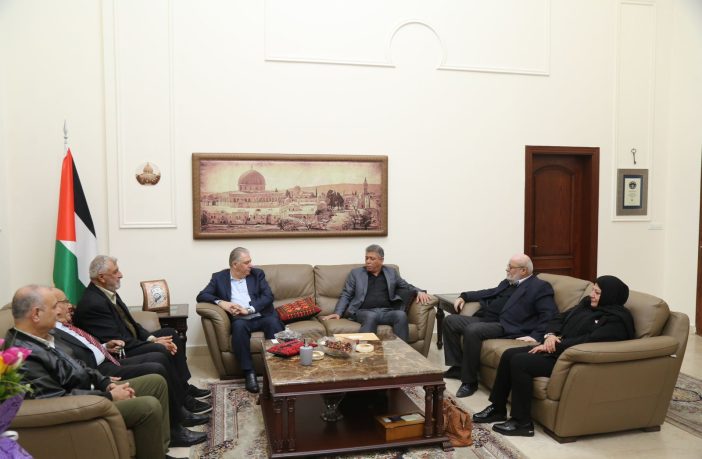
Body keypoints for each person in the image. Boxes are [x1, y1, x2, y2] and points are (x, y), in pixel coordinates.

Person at [7, 285, 182, 459]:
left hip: (93, 390)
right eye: (54, 307)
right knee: (148, 406)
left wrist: (106, 383)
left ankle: (160, 450)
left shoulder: (47, 336)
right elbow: (57, 399)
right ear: (36, 314)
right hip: (83, 404)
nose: (59, 311)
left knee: (156, 382)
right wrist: (109, 396)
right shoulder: (21, 355)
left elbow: (80, 365)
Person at [473, 275, 635, 437]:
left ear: (609, 296)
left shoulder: (616, 321)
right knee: (508, 354)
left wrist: (553, 346)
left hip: (570, 360)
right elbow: (559, 317)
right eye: (593, 290)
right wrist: (550, 335)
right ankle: (497, 408)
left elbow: (589, 341)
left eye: (597, 293)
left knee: (520, 362)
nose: (592, 295)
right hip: (555, 349)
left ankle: (522, 423)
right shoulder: (587, 304)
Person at [51, 287, 208, 446]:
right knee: (157, 362)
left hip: (108, 355)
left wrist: (105, 346)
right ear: (53, 308)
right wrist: (102, 379)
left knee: (167, 340)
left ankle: (183, 396)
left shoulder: (69, 324)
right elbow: (75, 363)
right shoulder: (57, 331)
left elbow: (128, 326)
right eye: (65, 302)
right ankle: (176, 425)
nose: (70, 305)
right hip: (102, 369)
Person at [74, 255, 212, 415]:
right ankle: (182, 400)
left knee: (171, 334)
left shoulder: (107, 292)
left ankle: (183, 387)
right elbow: (118, 341)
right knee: (161, 350)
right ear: (101, 277)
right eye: (115, 272)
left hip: (130, 341)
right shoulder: (93, 303)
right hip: (119, 352)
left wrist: (152, 338)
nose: (121, 275)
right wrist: (154, 344)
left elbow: (132, 324)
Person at [443, 254, 557, 398]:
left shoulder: (539, 287)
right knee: (450, 321)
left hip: (507, 325)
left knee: (472, 330)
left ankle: (469, 382)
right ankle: (458, 367)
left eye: (511, 267)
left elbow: (548, 314)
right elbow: (490, 292)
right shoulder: (508, 282)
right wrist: (464, 296)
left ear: (523, 270)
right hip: (487, 319)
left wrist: (535, 336)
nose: (507, 269)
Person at [196, 247, 284, 393]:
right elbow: (202, 295)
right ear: (235, 264)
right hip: (241, 320)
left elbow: (268, 296)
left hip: (261, 316)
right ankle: (249, 373)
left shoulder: (257, 274)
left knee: (274, 323)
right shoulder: (219, 278)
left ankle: (278, 368)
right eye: (246, 262)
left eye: (250, 261)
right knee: (238, 328)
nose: (251, 265)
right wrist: (222, 303)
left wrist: (249, 309)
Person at [322, 244, 431, 342]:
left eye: (372, 259)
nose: (368, 261)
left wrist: (419, 291)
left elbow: (406, 286)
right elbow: (346, 294)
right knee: (371, 316)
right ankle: (365, 351)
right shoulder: (356, 273)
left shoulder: (391, 272)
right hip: (363, 311)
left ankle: (402, 352)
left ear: (381, 260)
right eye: (366, 258)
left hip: (386, 311)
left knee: (400, 315)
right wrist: (338, 312)